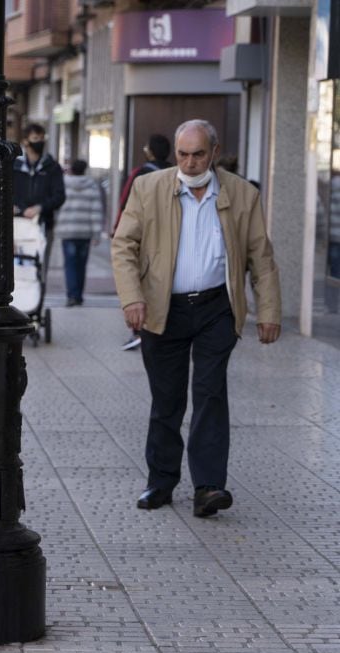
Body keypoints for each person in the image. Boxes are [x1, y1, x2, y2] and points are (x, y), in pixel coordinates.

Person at [111, 119, 281, 518]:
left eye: (198, 154)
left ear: (214, 152)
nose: (189, 162)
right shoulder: (148, 188)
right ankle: (161, 481)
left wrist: (268, 311)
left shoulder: (242, 194)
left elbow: (262, 258)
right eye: (182, 154)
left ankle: (208, 487)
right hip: (161, 309)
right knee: (167, 399)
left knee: (209, 394)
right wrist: (131, 298)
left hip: (215, 309)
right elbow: (123, 246)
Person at [116, 134, 172, 349]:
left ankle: (140, 328)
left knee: (142, 279)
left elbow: (125, 203)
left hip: (143, 235)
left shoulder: (140, 174)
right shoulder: (174, 173)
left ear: (149, 151)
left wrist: (117, 229)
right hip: (167, 235)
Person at [55, 159, 104, 307]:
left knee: (70, 264)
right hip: (85, 232)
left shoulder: (63, 184)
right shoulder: (92, 186)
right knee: (81, 265)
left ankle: (72, 296)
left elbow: (57, 208)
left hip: (68, 231)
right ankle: (79, 295)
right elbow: (96, 210)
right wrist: (96, 234)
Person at [12, 122, 65, 238]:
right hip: (17, 222)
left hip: (43, 223)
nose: (40, 142)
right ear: (25, 141)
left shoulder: (52, 167)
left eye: (42, 138)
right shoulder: (14, 166)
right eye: (35, 138)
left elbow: (59, 196)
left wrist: (39, 208)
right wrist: (21, 208)